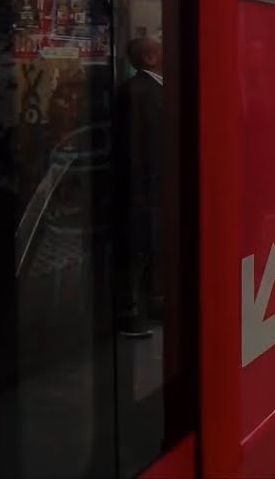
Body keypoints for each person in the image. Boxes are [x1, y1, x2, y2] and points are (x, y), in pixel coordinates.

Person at [114, 36, 163, 338]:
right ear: (149, 58)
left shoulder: (154, 89)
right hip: (146, 187)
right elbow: (135, 145)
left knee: (153, 246)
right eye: (160, 47)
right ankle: (129, 312)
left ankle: (151, 303)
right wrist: (139, 189)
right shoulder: (137, 92)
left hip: (154, 185)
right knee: (139, 248)